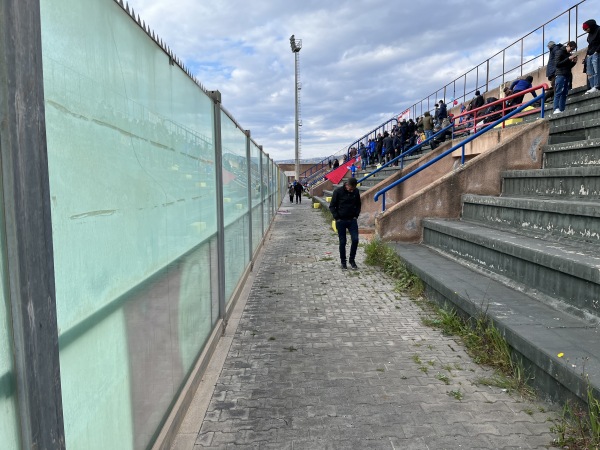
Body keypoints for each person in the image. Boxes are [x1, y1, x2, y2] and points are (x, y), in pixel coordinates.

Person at [329, 177, 361, 270]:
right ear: (347, 185)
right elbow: (332, 206)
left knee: (355, 239)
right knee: (343, 242)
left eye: (353, 189)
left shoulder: (356, 191)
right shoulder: (338, 192)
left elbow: (358, 204)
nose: (351, 191)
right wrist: (337, 218)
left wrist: (356, 215)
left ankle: (352, 260)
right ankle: (343, 262)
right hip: (341, 220)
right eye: (350, 189)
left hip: (352, 220)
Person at [553, 41, 578, 114]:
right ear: (568, 46)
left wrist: (574, 62)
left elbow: (568, 67)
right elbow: (557, 64)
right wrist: (568, 59)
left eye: (573, 49)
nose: (572, 50)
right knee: (558, 92)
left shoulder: (568, 55)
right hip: (560, 74)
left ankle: (562, 109)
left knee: (564, 93)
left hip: (567, 74)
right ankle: (556, 108)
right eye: (572, 48)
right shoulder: (559, 52)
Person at [583, 19, 600, 94]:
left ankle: (596, 86)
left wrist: (597, 51)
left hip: (597, 53)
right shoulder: (589, 34)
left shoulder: (599, 30)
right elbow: (589, 46)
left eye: (586, 29)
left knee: (596, 70)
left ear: (591, 26)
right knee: (589, 72)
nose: (586, 31)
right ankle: (592, 86)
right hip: (590, 54)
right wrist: (586, 56)